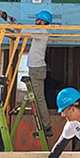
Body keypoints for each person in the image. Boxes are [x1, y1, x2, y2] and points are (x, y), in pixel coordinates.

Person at [26, 10, 54, 138]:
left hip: (36, 69)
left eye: (38, 20)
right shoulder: (40, 32)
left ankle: (46, 127)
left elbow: (24, 31)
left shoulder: (42, 32)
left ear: (44, 22)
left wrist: (12, 23)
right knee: (37, 98)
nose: (36, 22)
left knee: (39, 99)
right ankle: (44, 126)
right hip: (35, 68)